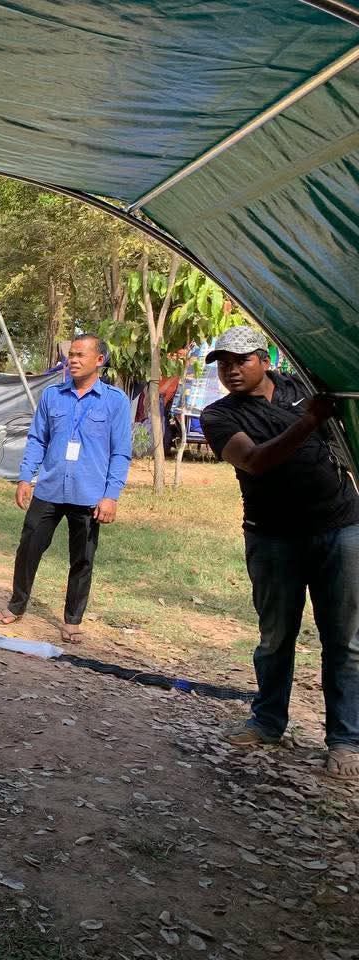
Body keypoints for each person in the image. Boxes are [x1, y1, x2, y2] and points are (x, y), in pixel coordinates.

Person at [200, 326, 359, 781]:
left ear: (264, 360)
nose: (231, 370)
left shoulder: (303, 386)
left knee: (346, 642)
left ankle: (346, 740)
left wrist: (316, 412)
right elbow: (255, 461)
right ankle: (268, 722)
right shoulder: (219, 416)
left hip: (341, 526)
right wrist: (309, 421)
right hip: (272, 537)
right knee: (275, 637)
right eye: (223, 363)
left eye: (241, 360)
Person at [0, 333, 131, 643]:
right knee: (28, 547)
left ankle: (72, 620)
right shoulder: (52, 396)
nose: (73, 360)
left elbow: (121, 452)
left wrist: (111, 496)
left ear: (99, 360)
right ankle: (16, 605)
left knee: (82, 559)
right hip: (50, 489)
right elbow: (37, 439)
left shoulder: (115, 402)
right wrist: (25, 477)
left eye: (81, 355)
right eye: (71, 354)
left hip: (89, 494)